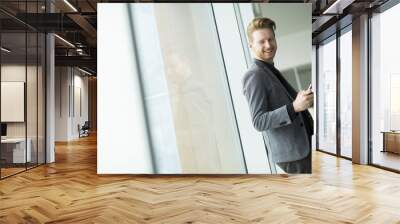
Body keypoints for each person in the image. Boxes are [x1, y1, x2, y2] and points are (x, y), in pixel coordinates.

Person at [242, 17, 314, 174]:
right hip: (294, 156)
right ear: (250, 45)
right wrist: (294, 107)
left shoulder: (270, 70)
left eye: (271, 39)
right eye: (262, 41)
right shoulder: (254, 75)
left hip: (302, 150)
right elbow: (259, 121)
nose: (268, 45)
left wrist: (303, 100)